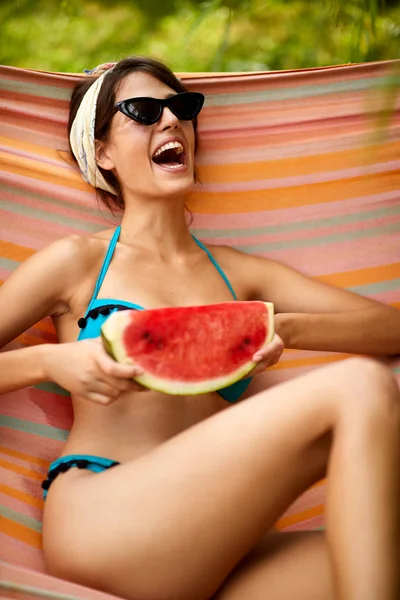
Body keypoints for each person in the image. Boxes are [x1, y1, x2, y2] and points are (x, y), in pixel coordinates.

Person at [1, 56, 400, 600]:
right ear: (103, 153)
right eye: (142, 111)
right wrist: (48, 362)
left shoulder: (242, 273)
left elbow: (391, 330)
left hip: (216, 546)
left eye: (182, 108)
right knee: (360, 385)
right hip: (107, 518)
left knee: (382, 552)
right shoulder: (76, 263)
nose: (170, 121)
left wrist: (288, 329)